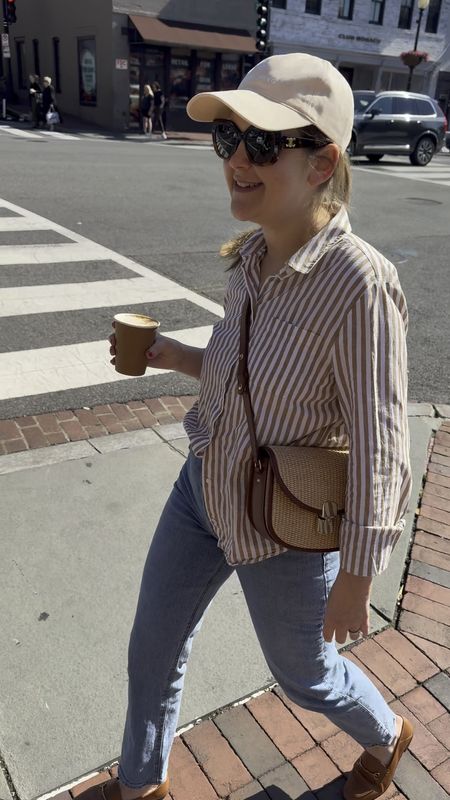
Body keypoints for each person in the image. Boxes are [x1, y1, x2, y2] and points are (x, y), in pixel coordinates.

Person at [88, 54, 414, 800]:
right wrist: (172, 354)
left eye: (262, 143)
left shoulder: (359, 283)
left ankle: (386, 732)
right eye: (228, 137)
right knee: (152, 647)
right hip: (202, 488)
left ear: (322, 161)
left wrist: (358, 573)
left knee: (304, 675)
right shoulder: (251, 257)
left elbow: (383, 440)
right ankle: (143, 785)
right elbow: (242, 378)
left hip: (284, 524)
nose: (237, 158)